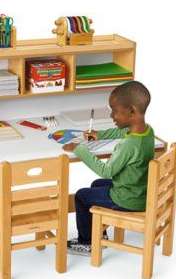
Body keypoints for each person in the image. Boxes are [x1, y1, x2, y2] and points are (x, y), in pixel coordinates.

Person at [62, 81, 155, 256]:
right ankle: (97, 231)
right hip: (140, 190)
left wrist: (79, 149)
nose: (112, 115)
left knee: (81, 196)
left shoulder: (129, 145)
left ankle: (86, 242)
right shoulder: (147, 131)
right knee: (97, 184)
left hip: (127, 199)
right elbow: (123, 132)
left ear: (131, 111)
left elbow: (106, 171)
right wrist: (100, 135)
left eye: (114, 110)